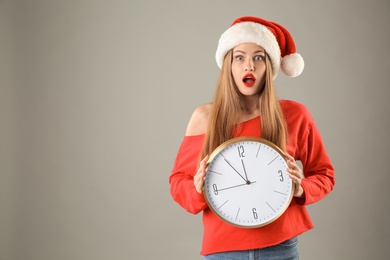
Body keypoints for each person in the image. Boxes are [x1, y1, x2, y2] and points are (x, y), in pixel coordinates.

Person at [169, 16, 335, 259]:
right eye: (240, 57)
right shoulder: (205, 117)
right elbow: (178, 181)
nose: (250, 66)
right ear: (229, 65)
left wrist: (302, 189)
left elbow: (324, 175)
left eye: (259, 57)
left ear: (270, 66)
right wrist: (196, 188)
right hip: (222, 250)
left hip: (281, 247)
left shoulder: (295, 115)